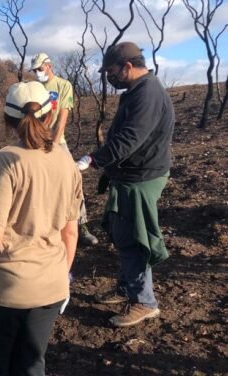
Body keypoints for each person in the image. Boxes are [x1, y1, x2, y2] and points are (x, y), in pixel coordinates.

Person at [0, 81, 82, 375]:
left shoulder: (5, 160)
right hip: (51, 288)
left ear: (9, 121)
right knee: (31, 364)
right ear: (50, 116)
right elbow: (70, 232)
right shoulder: (68, 163)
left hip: (3, 291)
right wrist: (63, 275)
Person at [76, 42, 175, 327]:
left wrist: (92, 159)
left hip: (141, 177)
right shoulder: (137, 91)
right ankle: (127, 288)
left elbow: (129, 139)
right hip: (131, 175)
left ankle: (144, 302)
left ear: (127, 67)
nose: (109, 77)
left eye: (111, 71)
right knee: (122, 232)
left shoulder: (148, 94)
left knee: (134, 238)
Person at [31, 52, 99, 246]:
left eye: (40, 69)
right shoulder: (33, 87)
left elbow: (62, 118)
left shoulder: (63, 85)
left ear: (49, 66)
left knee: (73, 180)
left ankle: (81, 225)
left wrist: (52, 144)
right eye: (34, 70)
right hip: (34, 142)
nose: (37, 73)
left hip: (56, 142)